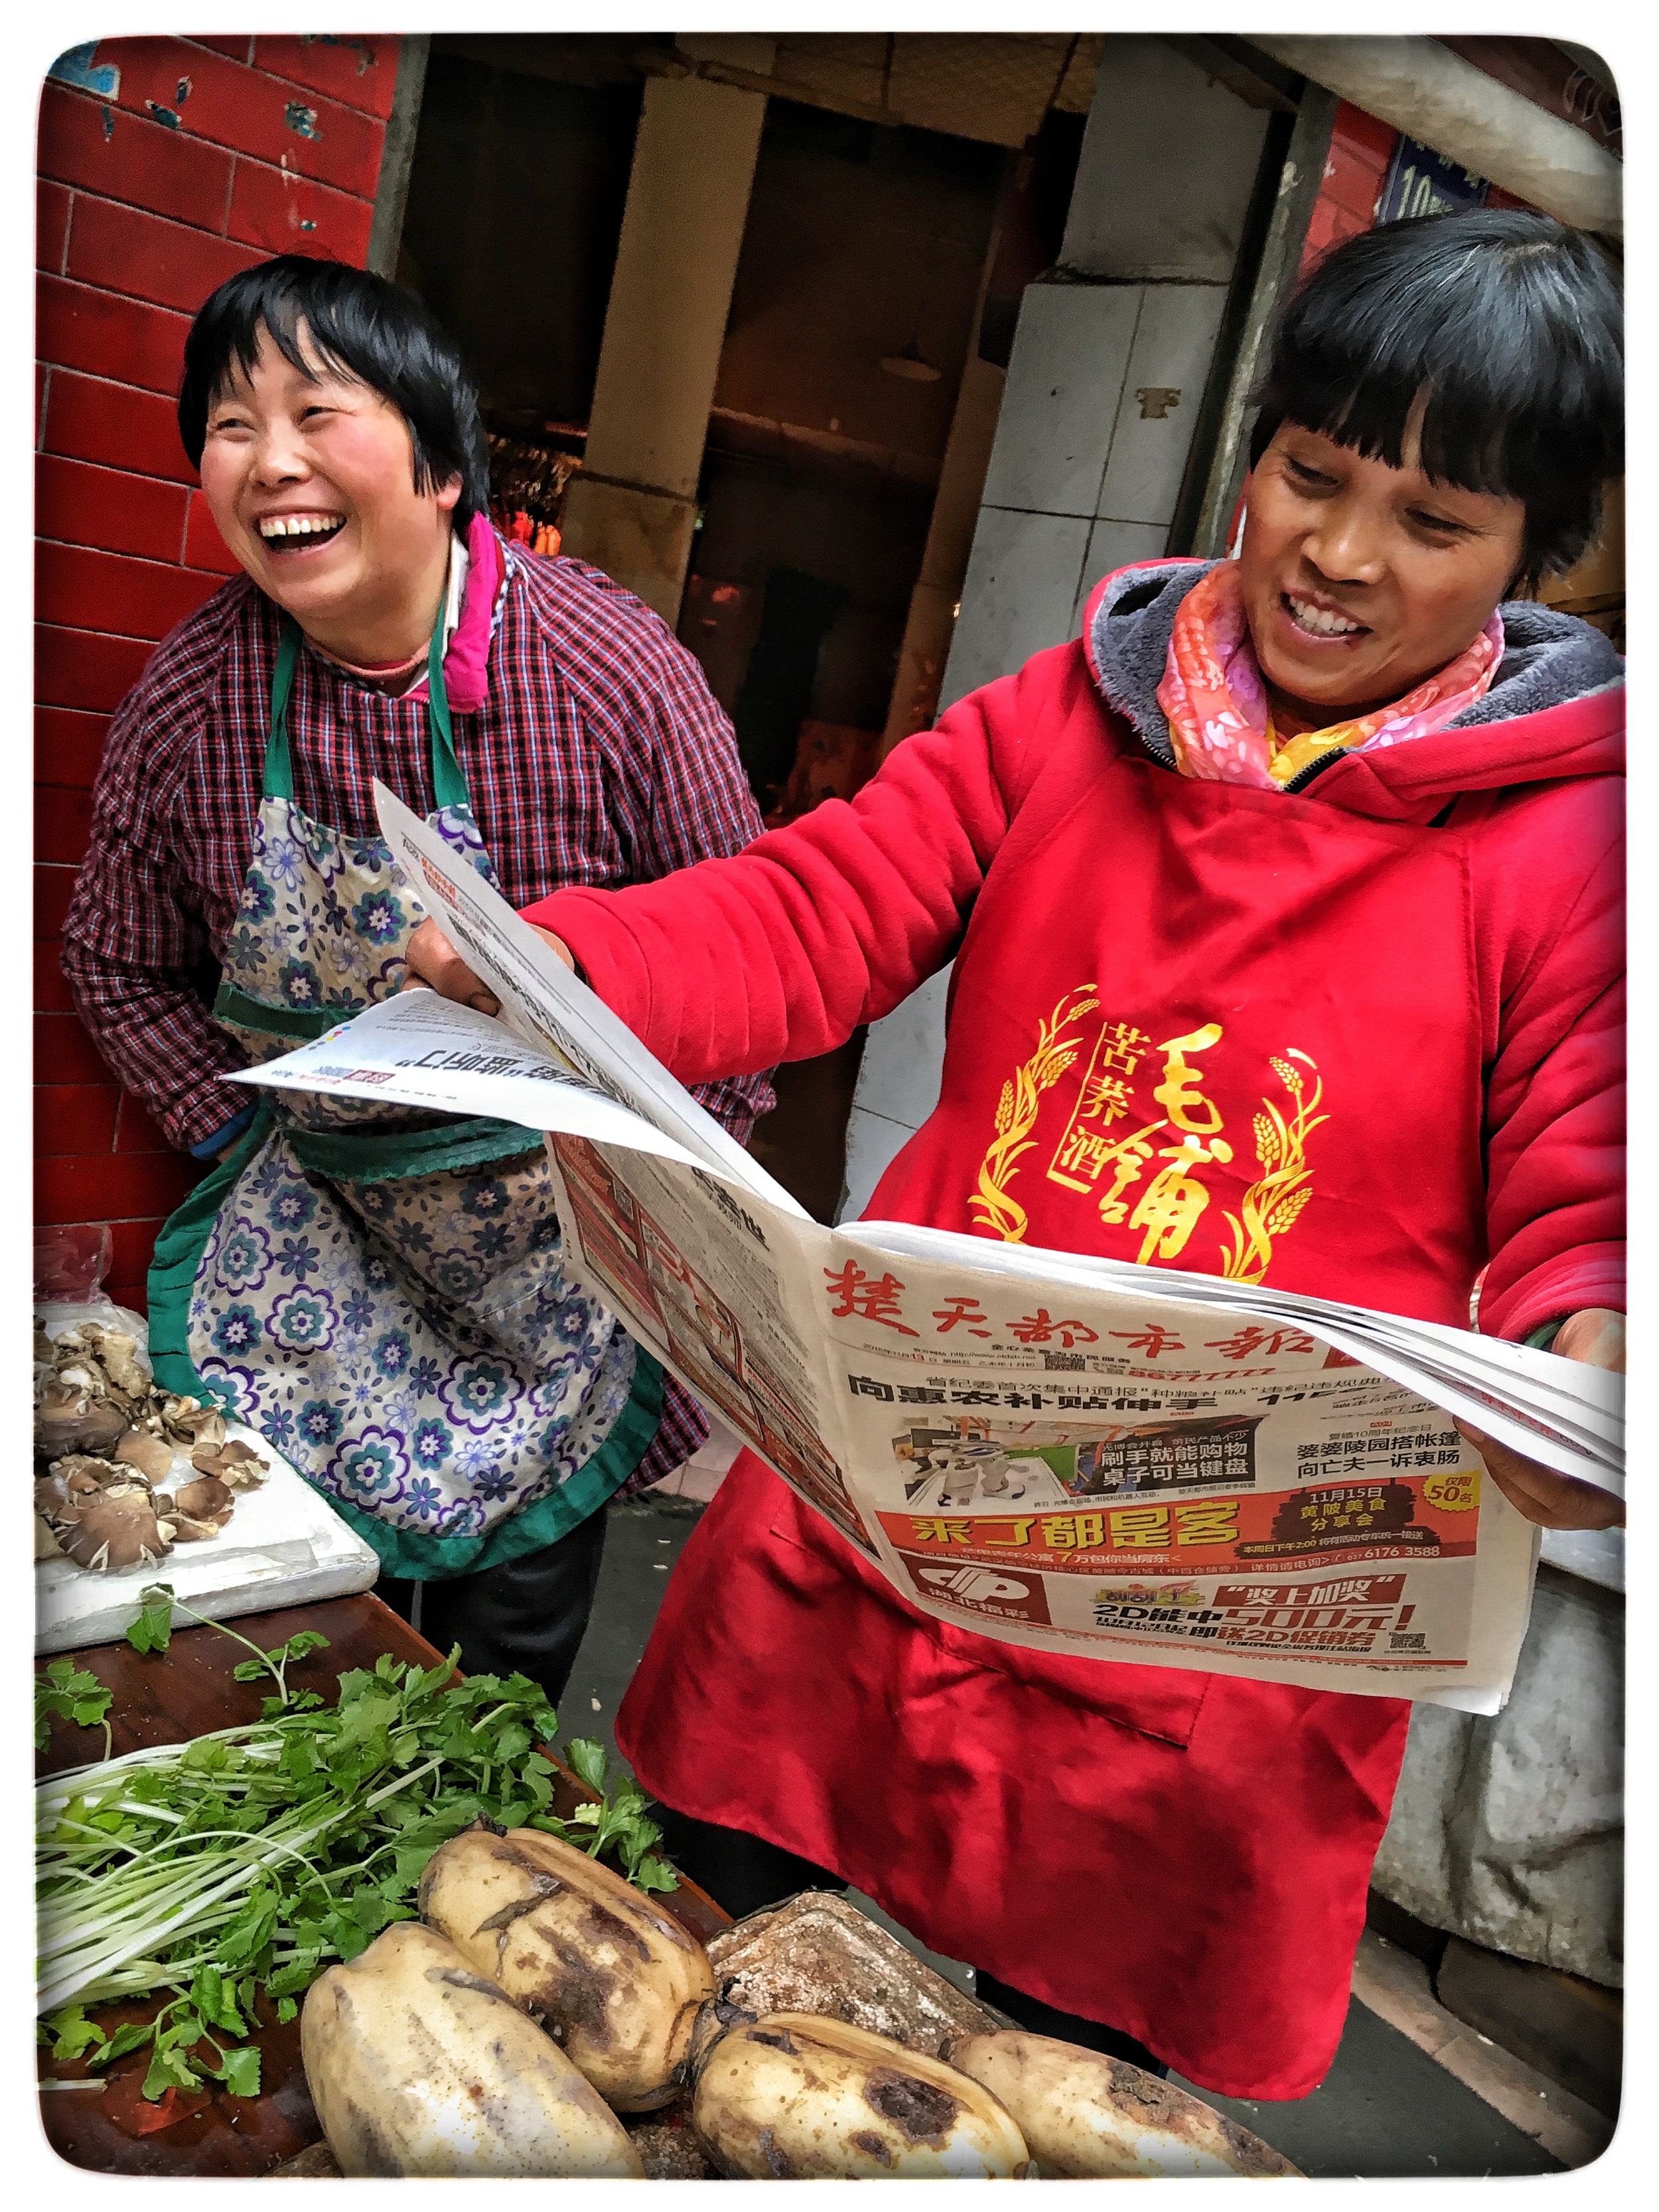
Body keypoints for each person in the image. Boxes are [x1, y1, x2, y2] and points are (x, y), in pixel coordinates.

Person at [406, 210, 1624, 2097]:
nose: (1339, 554)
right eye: (1308, 474)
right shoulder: (1076, 707)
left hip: (1211, 1583)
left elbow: (1588, 1159)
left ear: (1538, 558)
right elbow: (819, 904)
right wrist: (573, 963)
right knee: (687, 1997)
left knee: (1055, 2085)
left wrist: (1584, 1355)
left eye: (1432, 521)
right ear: (1254, 447)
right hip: (903, 1480)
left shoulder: (1568, 846)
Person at [61, 256, 770, 1704]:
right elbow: (114, 955)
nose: (271, 464)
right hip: (314, 1241)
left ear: (445, 469)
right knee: (293, 1646)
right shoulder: (195, 696)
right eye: (230, 426)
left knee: (489, 1685)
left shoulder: (606, 670)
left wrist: (650, 1209)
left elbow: (751, 950)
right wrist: (239, 1131)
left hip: (558, 1266)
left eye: (318, 411)